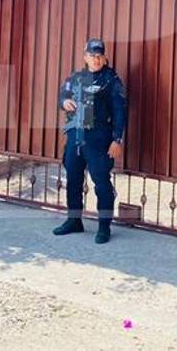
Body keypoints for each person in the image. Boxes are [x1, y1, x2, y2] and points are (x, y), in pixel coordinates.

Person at [51, 38, 127, 244]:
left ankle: (104, 227)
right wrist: (64, 101)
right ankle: (74, 221)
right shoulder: (76, 77)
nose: (96, 59)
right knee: (73, 180)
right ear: (85, 57)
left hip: (99, 140)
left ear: (105, 58)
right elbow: (62, 94)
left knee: (101, 183)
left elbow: (120, 112)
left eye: (99, 55)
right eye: (92, 55)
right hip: (76, 138)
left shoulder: (112, 81)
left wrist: (117, 140)